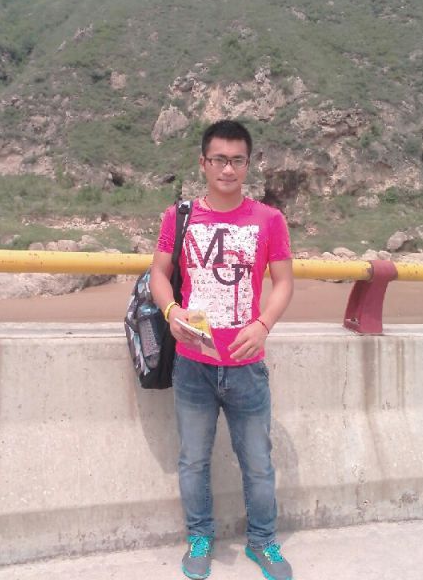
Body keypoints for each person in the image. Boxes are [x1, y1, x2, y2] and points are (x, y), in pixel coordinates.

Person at [150, 119, 294, 580]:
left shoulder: (269, 220)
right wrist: (172, 310)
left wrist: (263, 324)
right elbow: (158, 274)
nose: (227, 169)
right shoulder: (179, 217)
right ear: (203, 163)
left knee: (258, 462)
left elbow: (284, 283)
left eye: (236, 160)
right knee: (193, 460)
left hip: (247, 366)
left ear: (248, 164)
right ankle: (199, 536)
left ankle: (263, 542)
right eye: (219, 160)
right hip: (193, 365)